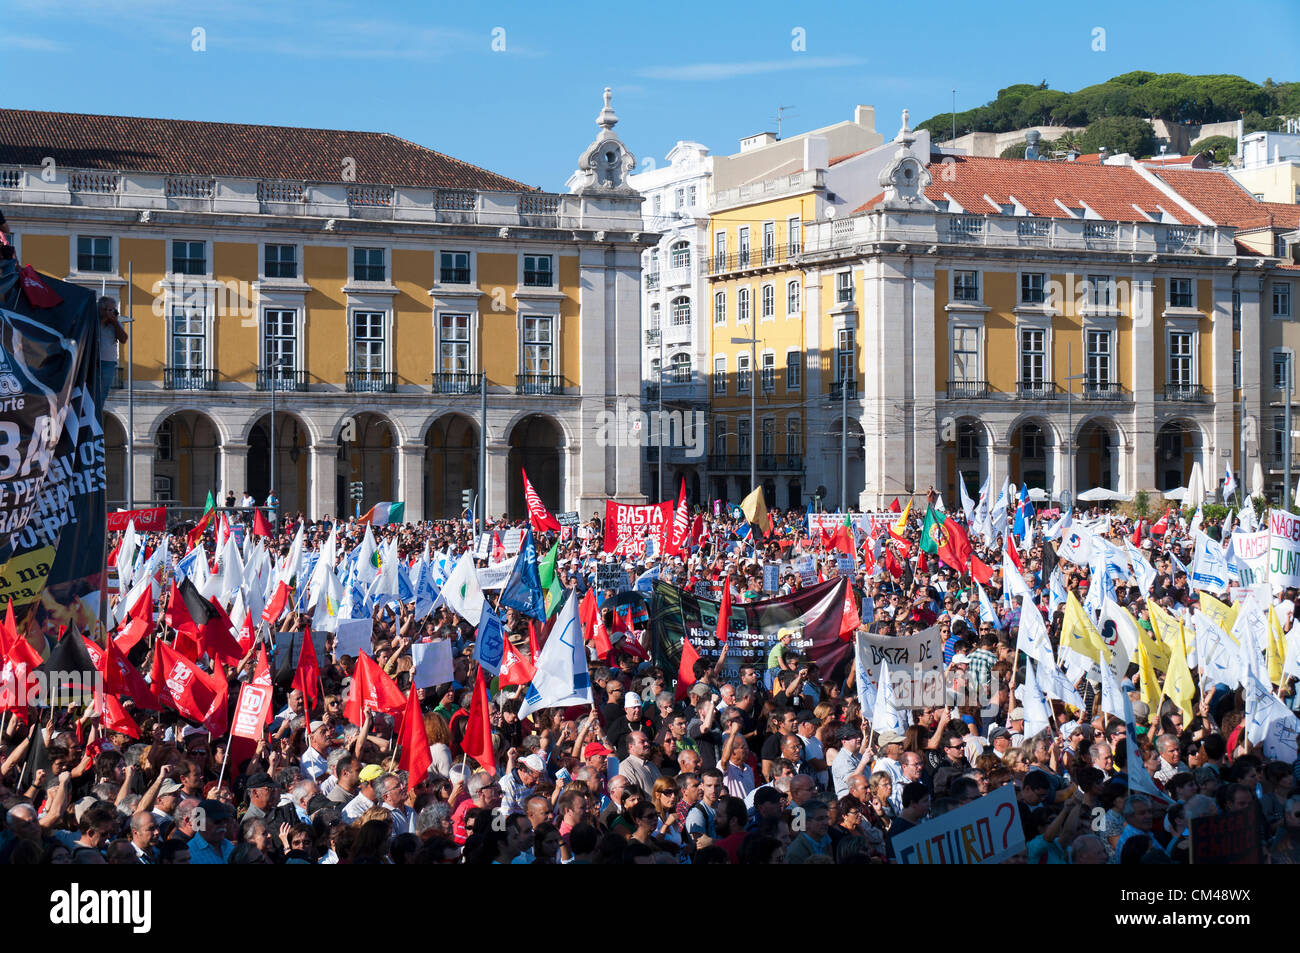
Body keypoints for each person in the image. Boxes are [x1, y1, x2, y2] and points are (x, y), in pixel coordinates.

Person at [96, 296, 129, 397]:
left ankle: (98, 411)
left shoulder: (116, 323)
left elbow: (123, 339)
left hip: (108, 362)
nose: (113, 312)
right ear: (101, 309)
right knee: (91, 390)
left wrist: (114, 323)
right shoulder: (94, 321)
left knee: (103, 392)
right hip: (93, 360)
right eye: (110, 309)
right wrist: (103, 319)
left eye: (114, 309)